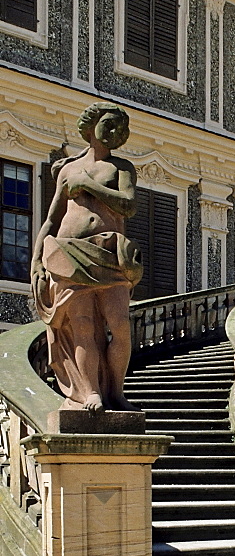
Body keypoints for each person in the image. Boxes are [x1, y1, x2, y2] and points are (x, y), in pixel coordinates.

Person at [31, 102, 143, 412]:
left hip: (109, 253)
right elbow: (52, 220)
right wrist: (37, 260)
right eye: (108, 124)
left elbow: (128, 205)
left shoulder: (121, 168)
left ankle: (116, 392)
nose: (114, 131)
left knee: (119, 325)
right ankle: (90, 392)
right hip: (68, 253)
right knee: (81, 326)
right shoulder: (67, 170)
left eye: (120, 129)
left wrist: (89, 186)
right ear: (91, 125)